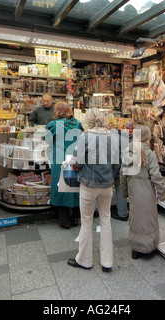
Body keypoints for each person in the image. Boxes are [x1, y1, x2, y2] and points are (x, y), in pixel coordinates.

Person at [67, 107, 119, 272]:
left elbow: (78, 161)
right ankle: (107, 262)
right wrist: (110, 176)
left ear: (88, 120)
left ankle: (84, 260)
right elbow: (117, 164)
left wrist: (74, 164)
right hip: (106, 185)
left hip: (89, 184)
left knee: (87, 221)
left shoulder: (86, 136)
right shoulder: (112, 137)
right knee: (105, 220)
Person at [120, 124, 165, 260]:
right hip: (147, 193)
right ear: (147, 137)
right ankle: (149, 246)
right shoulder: (149, 153)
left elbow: (122, 175)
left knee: (135, 219)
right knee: (148, 219)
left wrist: (125, 193)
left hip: (134, 192)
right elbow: (156, 176)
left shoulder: (127, 151)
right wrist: (162, 192)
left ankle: (136, 248)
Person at [45, 101, 84, 229]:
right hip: (74, 158)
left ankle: (64, 220)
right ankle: (76, 217)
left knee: (61, 187)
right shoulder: (77, 124)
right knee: (75, 186)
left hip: (59, 160)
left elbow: (46, 139)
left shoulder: (53, 125)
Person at [111, 121, 133, 222]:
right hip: (123, 163)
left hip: (113, 164)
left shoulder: (111, 136)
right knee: (120, 186)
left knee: (104, 185)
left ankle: (98, 210)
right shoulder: (128, 138)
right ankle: (123, 213)